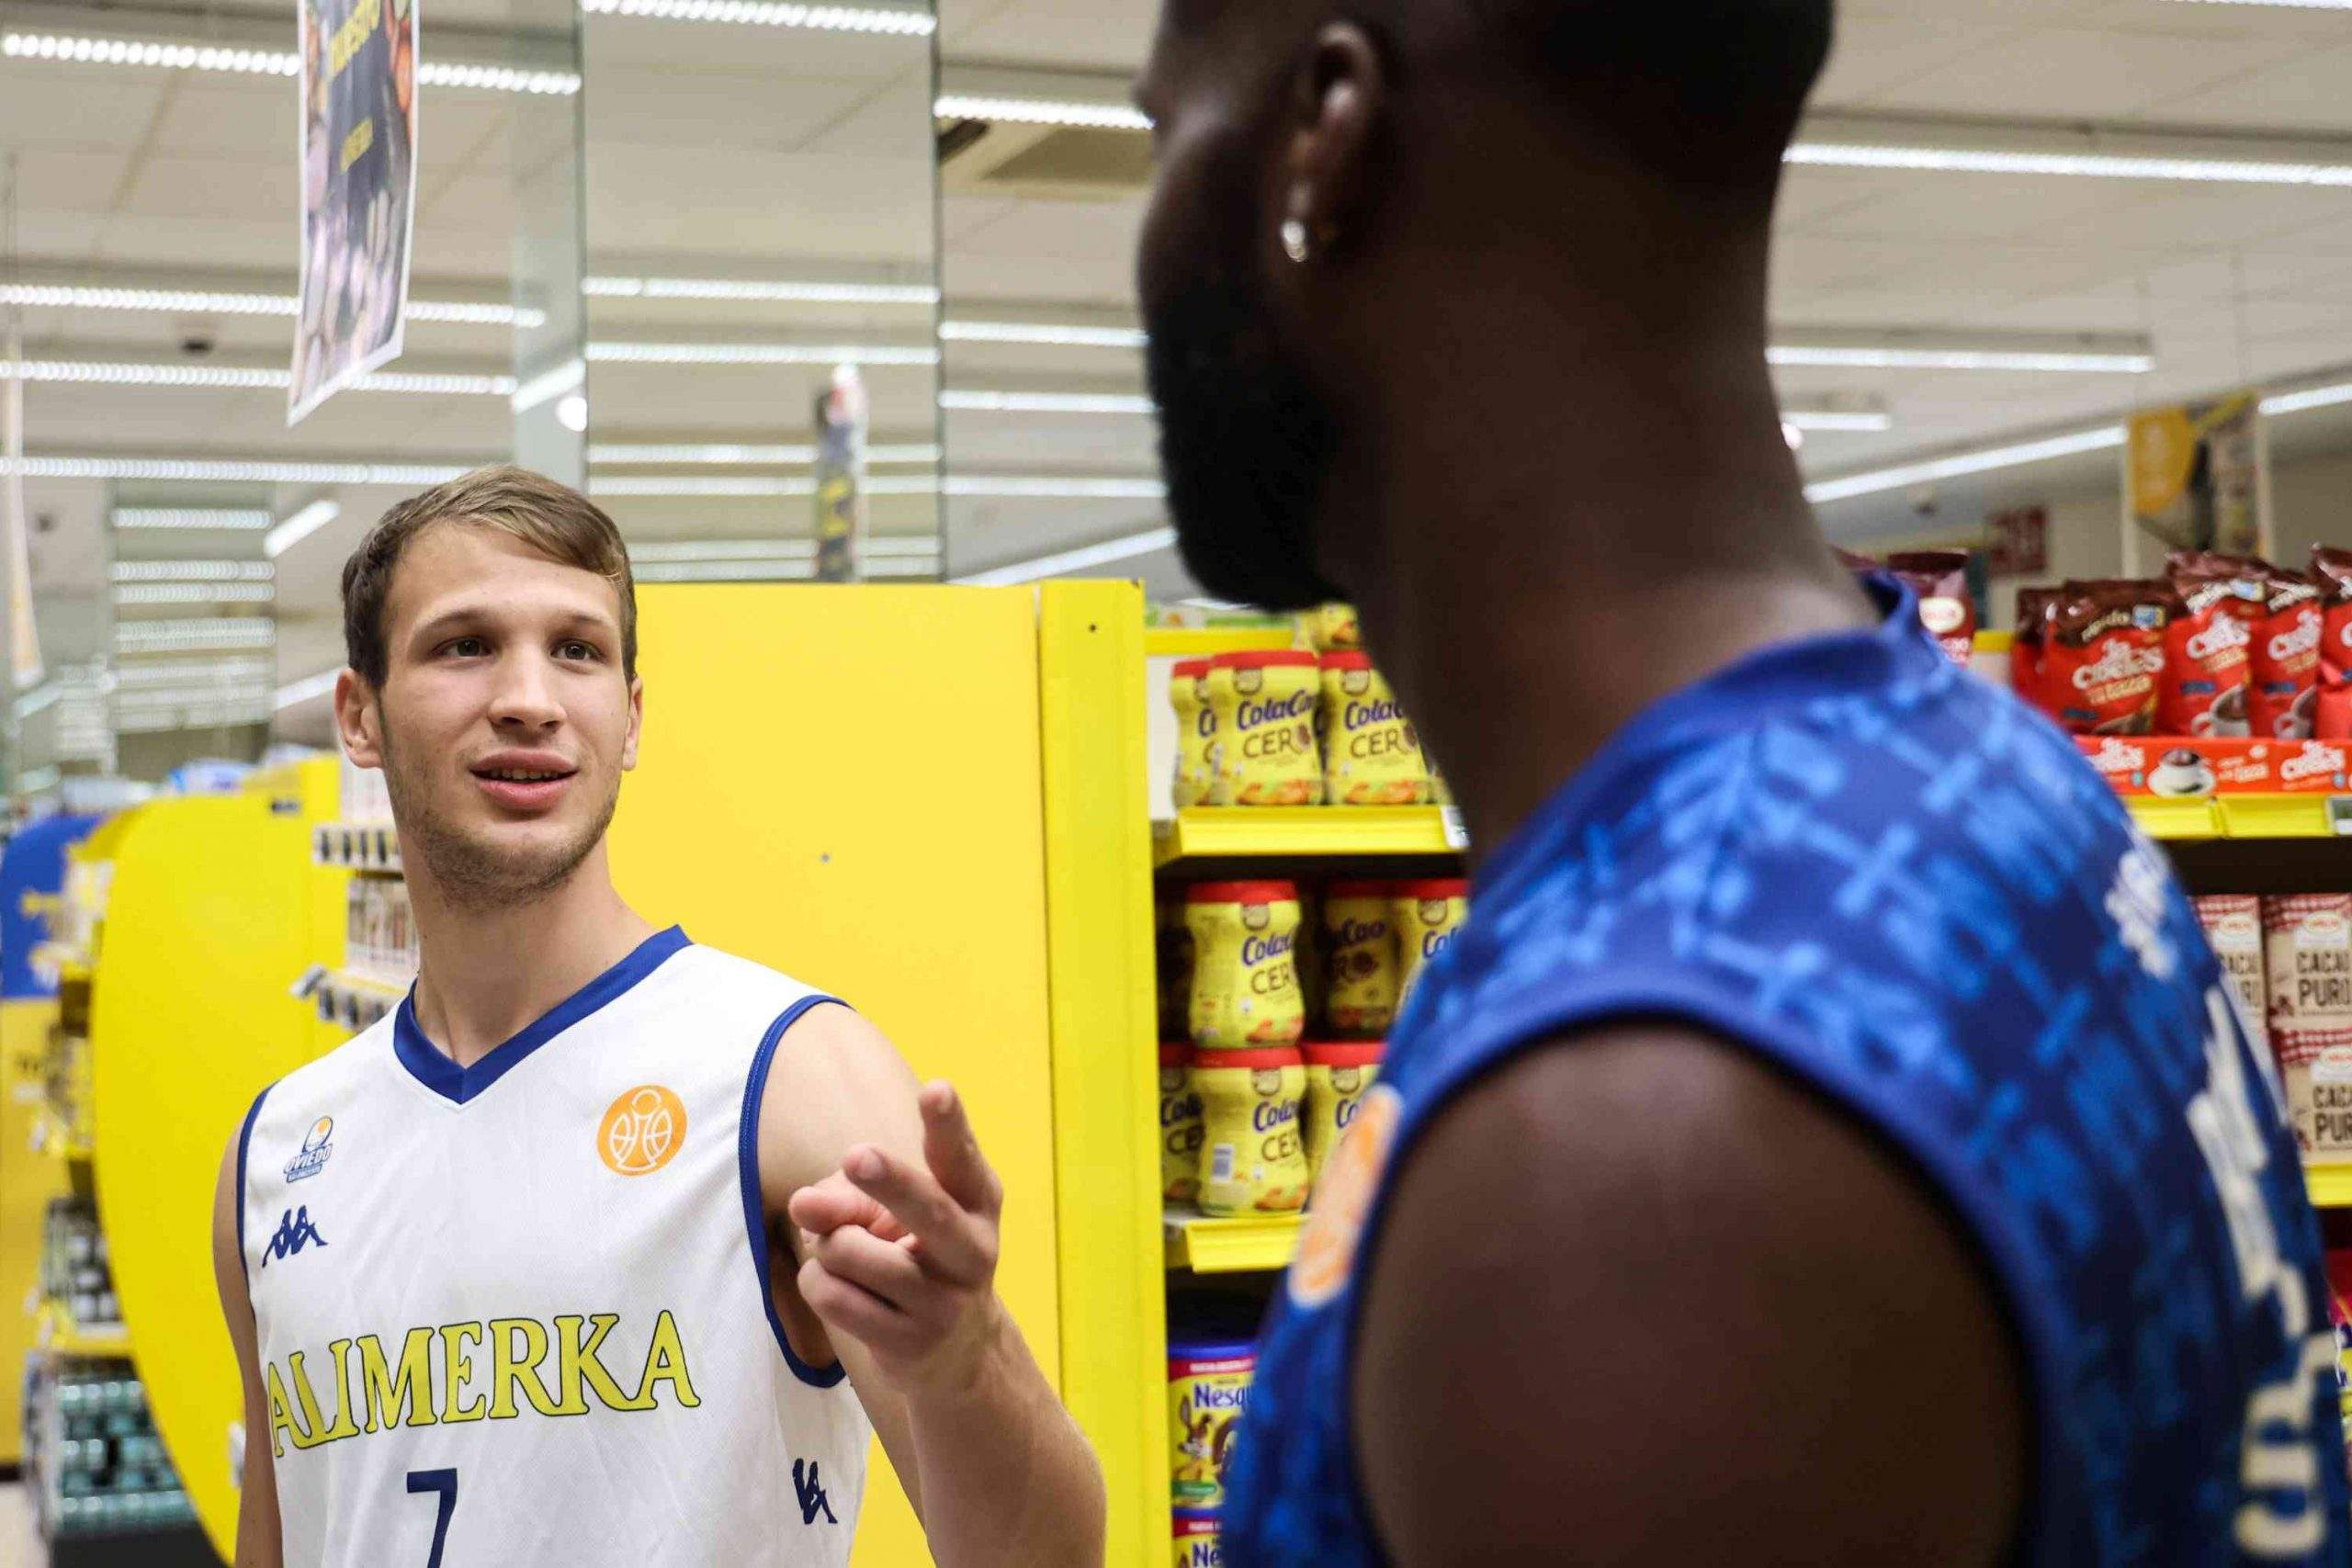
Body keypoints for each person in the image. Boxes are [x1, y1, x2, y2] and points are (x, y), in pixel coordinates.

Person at [1132, 3, 2350, 1563]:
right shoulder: (1997, 789)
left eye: (1164, 138)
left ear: (1327, 139)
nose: (1150, 236)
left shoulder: (1637, 1149)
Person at [209, 467, 1104, 1566]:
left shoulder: (792, 1080)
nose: (530, 697)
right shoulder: (277, 1153)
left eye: (577, 650)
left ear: (628, 720)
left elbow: (1049, 1558)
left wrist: (969, 1359)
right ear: (361, 717)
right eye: (465, 645)